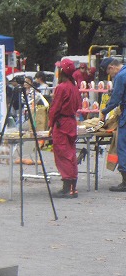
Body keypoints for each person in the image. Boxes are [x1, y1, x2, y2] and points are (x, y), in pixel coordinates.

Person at [48, 58, 82, 198]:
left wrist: (51, 124)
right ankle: (72, 186)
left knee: (63, 154)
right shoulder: (74, 86)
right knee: (71, 154)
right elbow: (78, 105)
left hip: (62, 123)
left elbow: (55, 108)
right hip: (71, 122)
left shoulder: (62, 87)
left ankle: (67, 187)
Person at [99, 57, 126, 192]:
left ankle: (125, 182)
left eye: (109, 72)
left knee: (123, 146)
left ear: (112, 67)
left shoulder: (120, 76)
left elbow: (115, 99)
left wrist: (104, 112)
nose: (111, 75)